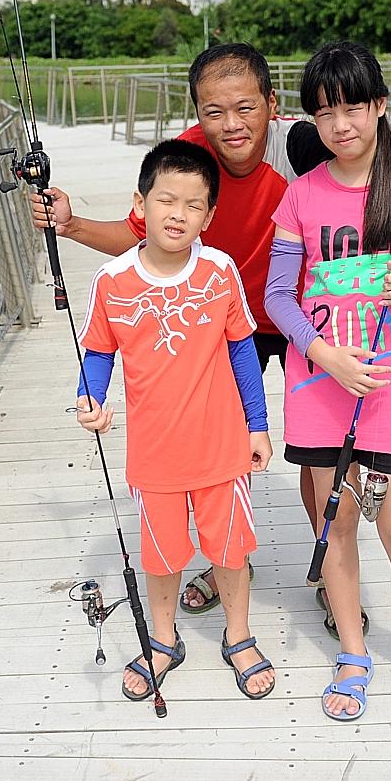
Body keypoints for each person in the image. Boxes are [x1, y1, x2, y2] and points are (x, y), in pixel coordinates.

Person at [32, 43, 391, 628]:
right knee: (225, 441)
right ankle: (230, 558)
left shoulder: (299, 143)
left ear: (272, 106)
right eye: (213, 111)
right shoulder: (189, 158)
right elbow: (141, 234)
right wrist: (71, 225)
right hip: (228, 318)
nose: (231, 125)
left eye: (245, 108)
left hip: (303, 317)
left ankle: (328, 563)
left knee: (317, 453)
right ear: (197, 112)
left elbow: (364, 147)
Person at [264, 40, 391, 725]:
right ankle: (353, 653)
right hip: (322, 388)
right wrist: (324, 355)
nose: (341, 124)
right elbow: (278, 297)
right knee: (338, 528)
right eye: (324, 113)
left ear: (380, 107)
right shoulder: (300, 194)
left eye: (354, 107)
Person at [74, 139, 277, 701]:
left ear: (209, 216)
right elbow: (98, 351)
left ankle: (238, 635)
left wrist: (257, 425)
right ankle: (163, 640)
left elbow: (242, 349)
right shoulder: (113, 280)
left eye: (193, 205)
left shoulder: (219, 269)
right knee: (160, 556)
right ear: (141, 204)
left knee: (231, 552)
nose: (178, 215)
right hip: (154, 453)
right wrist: (88, 400)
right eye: (167, 201)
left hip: (223, 446)